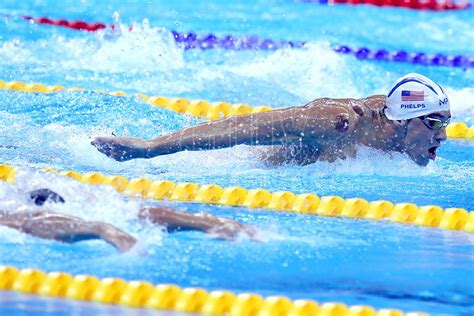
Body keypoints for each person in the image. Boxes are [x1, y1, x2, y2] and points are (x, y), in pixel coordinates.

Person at [92, 73, 451, 167]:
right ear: (405, 120)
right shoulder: (338, 123)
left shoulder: (397, 132)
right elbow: (245, 127)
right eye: (435, 124)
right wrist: (152, 147)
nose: (445, 137)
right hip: (235, 164)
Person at [0, 187, 259, 253]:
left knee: (15, 220)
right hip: (33, 192)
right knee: (119, 209)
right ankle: (205, 221)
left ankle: (100, 229)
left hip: (23, 204)